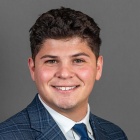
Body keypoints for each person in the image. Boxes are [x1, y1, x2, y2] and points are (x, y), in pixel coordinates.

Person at [0, 7, 127, 140]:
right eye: (52, 61)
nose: (64, 74)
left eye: (78, 60)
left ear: (98, 67)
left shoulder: (115, 134)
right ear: (33, 69)